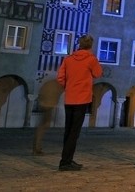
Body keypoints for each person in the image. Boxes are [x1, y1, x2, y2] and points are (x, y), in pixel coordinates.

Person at [56, 34, 103, 171]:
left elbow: (60, 77)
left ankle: (66, 159)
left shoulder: (69, 59)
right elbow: (98, 73)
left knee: (68, 130)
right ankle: (65, 162)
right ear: (90, 46)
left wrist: (68, 86)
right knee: (74, 132)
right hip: (82, 99)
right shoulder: (91, 59)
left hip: (69, 98)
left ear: (79, 44)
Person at [32, 79, 62, 156]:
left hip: (46, 104)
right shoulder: (56, 84)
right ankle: (36, 149)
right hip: (48, 105)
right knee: (43, 125)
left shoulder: (50, 83)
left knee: (43, 125)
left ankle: (37, 148)